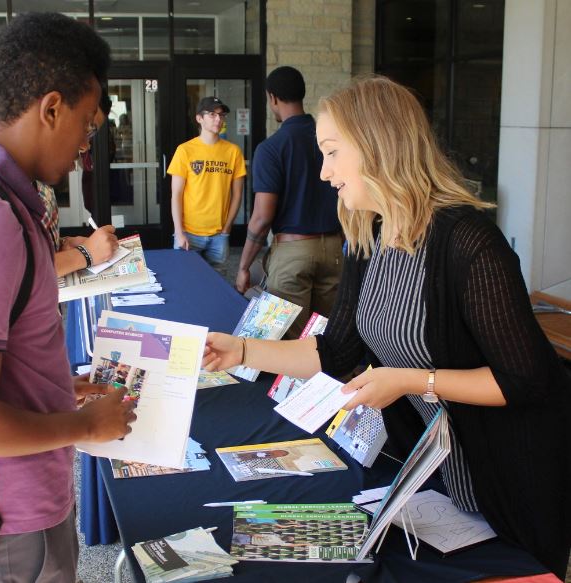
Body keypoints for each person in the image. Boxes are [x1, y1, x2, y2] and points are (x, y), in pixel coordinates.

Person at [203, 76, 571, 578]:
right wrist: (240, 352)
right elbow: (335, 350)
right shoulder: (368, 233)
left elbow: (527, 380)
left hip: (513, 474)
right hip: (442, 479)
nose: (325, 172)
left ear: (378, 146)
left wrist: (413, 381)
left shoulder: (467, 243)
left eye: (333, 153)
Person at [0, 13, 136, 582]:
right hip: (0, 528)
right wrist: (85, 428)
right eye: (87, 127)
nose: (87, 149)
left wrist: (58, 388)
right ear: (51, 107)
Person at [236, 66, 342, 338]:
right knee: (325, 339)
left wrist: (244, 266)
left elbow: (262, 218)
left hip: (293, 253)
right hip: (334, 250)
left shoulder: (272, 148)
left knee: (288, 341)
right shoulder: (330, 141)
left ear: (272, 98)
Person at [37, 90, 119, 277]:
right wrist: (85, 254)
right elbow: (21, 272)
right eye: (85, 128)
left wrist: (63, 244)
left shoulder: (37, 181)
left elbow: (31, 252)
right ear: (51, 111)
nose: (85, 146)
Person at [167, 96, 246, 271]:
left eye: (221, 115)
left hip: (219, 235)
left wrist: (226, 229)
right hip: (189, 232)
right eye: (212, 114)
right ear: (199, 118)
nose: (218, 119)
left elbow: (238, 194)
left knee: (217, 286)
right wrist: (179, 232)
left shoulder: (233, 152)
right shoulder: (185, 150)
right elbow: (176, 195)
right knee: (185, 282)